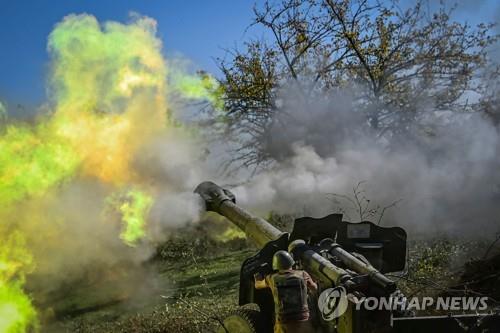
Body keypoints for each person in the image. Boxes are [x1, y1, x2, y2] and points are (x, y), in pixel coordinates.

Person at [254, 250, 317, 333]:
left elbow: (258, 285)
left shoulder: (272, 278)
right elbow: (314, 288)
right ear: (291, 262)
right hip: (303, 320)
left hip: (283, 322)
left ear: (276, 265)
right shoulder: (303, 274)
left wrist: (257, 278)